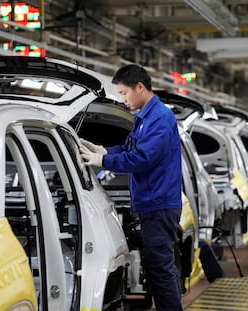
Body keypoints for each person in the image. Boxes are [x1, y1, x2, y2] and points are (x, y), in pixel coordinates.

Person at [80, 64, 183, 311]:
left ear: (140, 87)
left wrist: (104, 161)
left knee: (160, 269)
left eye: (124, 93)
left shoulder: (159, 118)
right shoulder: (145, 117)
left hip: (159, 204)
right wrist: (104, 150)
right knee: (157, 268)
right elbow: (130, 150)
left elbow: (142, 159)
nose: (122, 99)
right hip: (152, 202)